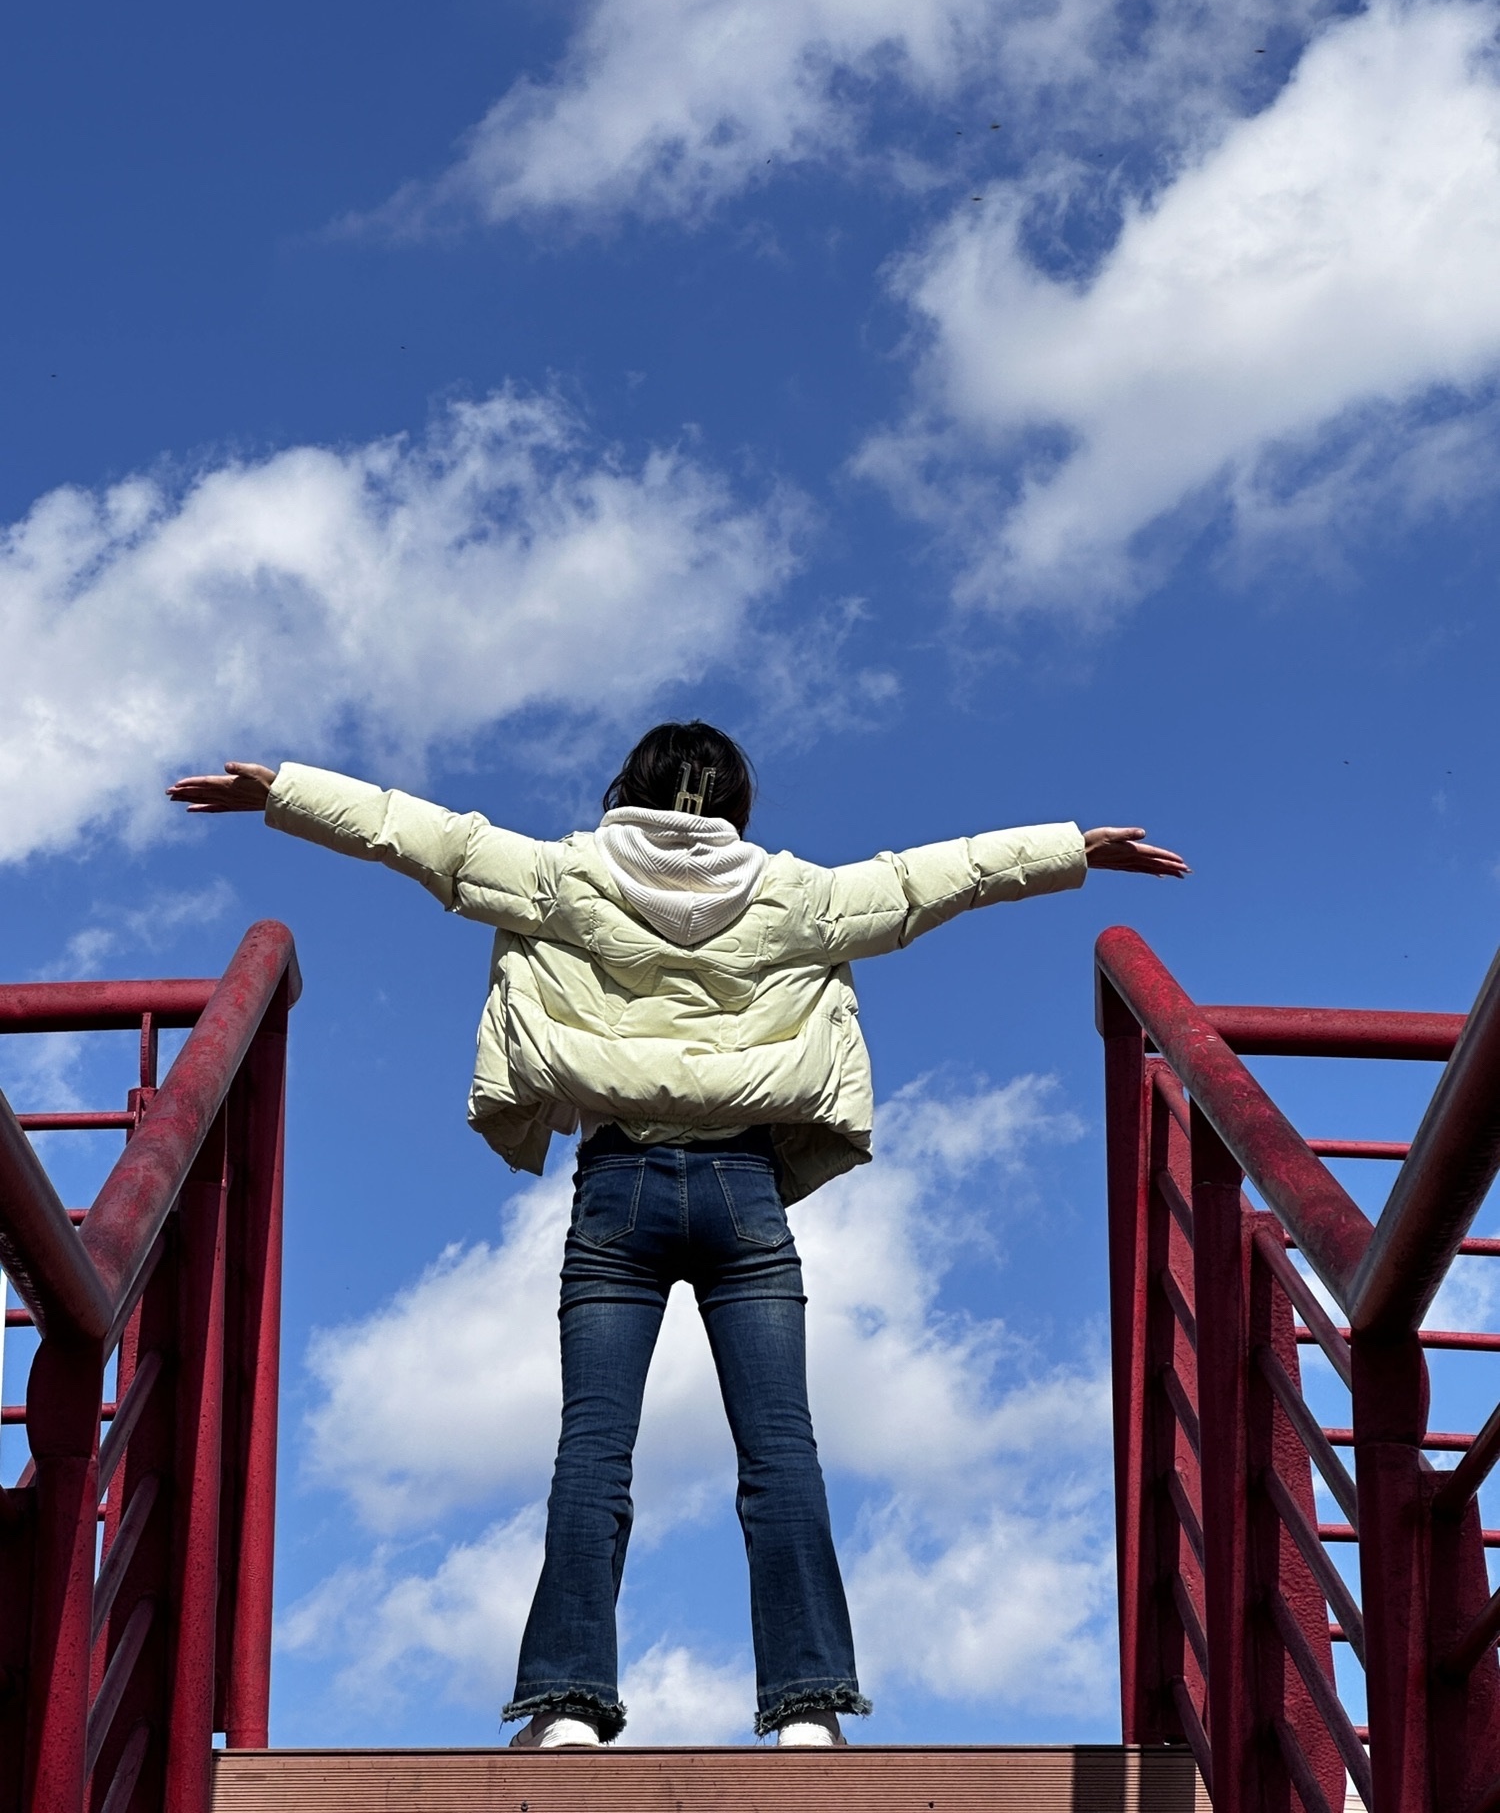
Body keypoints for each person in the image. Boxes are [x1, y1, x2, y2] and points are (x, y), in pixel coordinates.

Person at [168, 722, 1188, 1750]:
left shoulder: (563, 876)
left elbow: (421, 835)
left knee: (595, 1449)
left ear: (631, 787)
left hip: (618, 1188)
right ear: (736, 801)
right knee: (781, 1449)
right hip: (746, 1188)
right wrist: (1075, 848)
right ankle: (809, 1711)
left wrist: (282, 791)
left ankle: (566, 1704)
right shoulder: (801, 894)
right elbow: (939, 878)